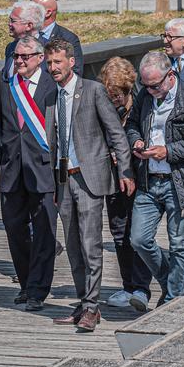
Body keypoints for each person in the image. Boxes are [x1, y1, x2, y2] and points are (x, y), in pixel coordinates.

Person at [43, 39, 134, 332]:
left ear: (72, 62)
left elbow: (116, 134)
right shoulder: (51, 96)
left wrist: (125, 170)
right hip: (64, 178)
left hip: (89, 177)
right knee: (72, 245)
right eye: (49, 63)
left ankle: (93, 308)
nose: (53, 68)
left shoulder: (93, 91)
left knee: (90, 243)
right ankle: (83, 303)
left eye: (58, 62)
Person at [127, 51, 184, 303]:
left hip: (182, 182)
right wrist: (135, 140)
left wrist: (168, 151)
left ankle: (172, 302)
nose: (150, 90)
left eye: (155, 85)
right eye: (145, 85)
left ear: (170, 75)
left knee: (180, 244)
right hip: (149, 179)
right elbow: (132, 123)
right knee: (139, 239)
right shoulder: (146, 95)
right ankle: (170, 281)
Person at [0, 35, 57, 311]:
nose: (19, 61)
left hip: (43, 169)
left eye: (25, 56)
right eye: (16, 56)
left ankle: (38, 290)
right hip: (12, 169)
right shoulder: (7, 86)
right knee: (14, 228)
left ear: (40, 58)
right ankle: (27, 283)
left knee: (43, 231)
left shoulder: (52, 86)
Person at [100, 58, 154, 312]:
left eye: (118, 94)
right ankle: (128, 285)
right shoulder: (103, 104)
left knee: (138, 235)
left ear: (129, 89)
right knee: (119, 233)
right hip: (112, 179)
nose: (114, 100)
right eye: (110, 94)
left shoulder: (142, 105)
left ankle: (142, 288)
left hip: (139, 177)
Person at [32, 0, 84, 77]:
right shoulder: (26, 35)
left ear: (47, 13)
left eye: (33, 9)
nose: (28, 12)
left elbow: (76, 72)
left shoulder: (68, 38)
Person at [2, 1, 46, 79]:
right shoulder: (11, 48)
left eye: (13, 21)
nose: (9, 24)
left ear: (29, 25)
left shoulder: (48, 50)